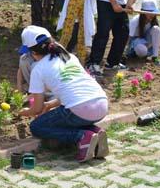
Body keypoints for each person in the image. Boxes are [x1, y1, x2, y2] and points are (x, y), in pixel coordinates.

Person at [17, 26, 109, 162]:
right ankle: (95, 132)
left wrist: (20, 112)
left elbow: (36, 109)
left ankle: (82, 136)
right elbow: (72, 91)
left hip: (81, 109)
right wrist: (50, 104)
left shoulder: (38, 68)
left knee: (37, 126)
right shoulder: (69, 57)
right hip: (102, 105)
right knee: (73, 117)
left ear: (33, 53)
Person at [126, 0, 160, 65]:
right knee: (142, 50)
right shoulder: (135, 21)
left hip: (147, 44)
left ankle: (155, 57)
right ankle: (135, 53)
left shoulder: (155, 21)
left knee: (156, 29)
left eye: (154, 13)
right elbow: (129, 38)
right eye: (149, 13)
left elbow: (156, 38)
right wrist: (125, 53)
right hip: (136, 42)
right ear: (143, 13)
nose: (152, 15)